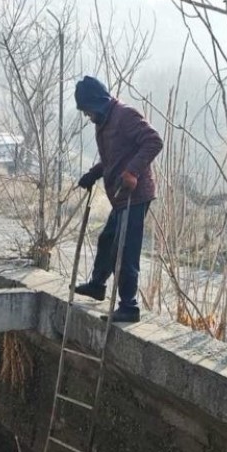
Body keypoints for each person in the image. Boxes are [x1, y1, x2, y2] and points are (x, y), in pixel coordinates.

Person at [73, 76, 163, 323]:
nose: (87, 115)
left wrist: (132, 171)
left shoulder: (125, 116)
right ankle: (97, 285)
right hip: (120, 195)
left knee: (125, 249)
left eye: (87, 109)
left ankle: (128, 306)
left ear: (96, 102)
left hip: (135, 194)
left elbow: (154, 141)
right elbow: (114, 158)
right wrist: (93, 174)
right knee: (107, 240)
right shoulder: (104, 122)